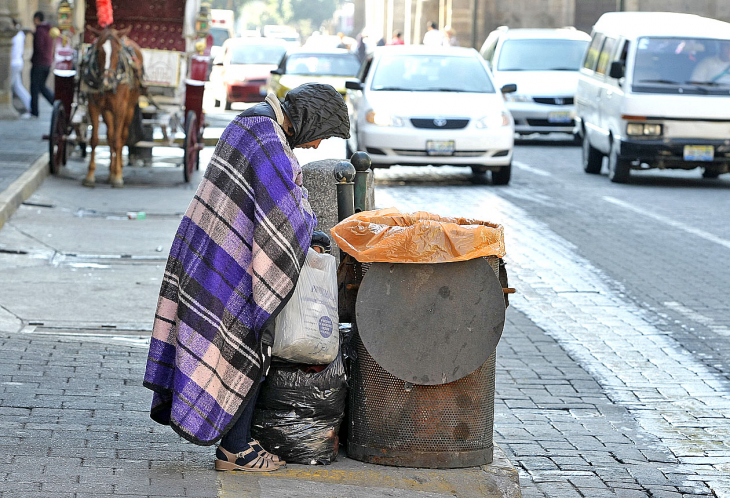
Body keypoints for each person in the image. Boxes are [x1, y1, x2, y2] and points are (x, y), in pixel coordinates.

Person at [143, 83, 350, 473]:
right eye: (322, 134)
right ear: (309, 120)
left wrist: (307, 231)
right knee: (249, 345)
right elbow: (283, 219)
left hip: (211, 248)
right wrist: (312, 233)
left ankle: (237, 441)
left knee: (228, 346)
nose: (318, 146)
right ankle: (236, 450)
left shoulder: (252, 122)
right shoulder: (268, 139)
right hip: (228, 261)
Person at [29, 11, 54, 118]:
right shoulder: (48, 30)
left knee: (35, 88)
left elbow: (39, 47)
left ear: (37, 19)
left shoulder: (40, 31)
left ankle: (35, 111)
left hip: (39, 63)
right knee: (42, 87)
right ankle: (55, 102)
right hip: (47, 63)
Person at [10, 19, 31, 117]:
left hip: (14, 63)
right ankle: (30, 105)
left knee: (8, 86)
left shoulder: (15, 36)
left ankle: (28, 107)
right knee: (18, 87)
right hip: (18, 62)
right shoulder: (20, 35)